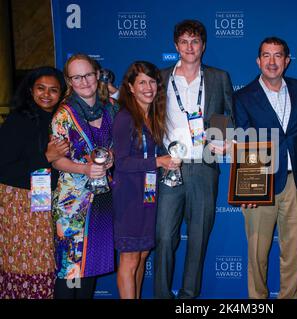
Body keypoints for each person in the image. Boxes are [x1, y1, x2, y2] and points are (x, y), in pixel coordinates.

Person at [154, 19, 233, 299]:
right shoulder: (160, 78)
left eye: (195, 41)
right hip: (169, 166)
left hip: (203, 166)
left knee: (198, 238)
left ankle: (188, 298)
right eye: (184, 42)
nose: (190, 47)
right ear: (176, 46)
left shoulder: (218, 77)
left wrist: (220, 138)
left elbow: (226, 113)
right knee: (164, 236)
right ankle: (163, 295)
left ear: (204, 46)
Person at [233, 37, 297, 299]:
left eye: (278, 56)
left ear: (287, 61)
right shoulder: (243, 97)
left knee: (294, 250)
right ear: (258, 61)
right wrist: (247, 190)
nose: (272, 61)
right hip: (260, 183)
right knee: (257, 251)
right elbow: (244, 141)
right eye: (266, 55)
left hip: (295, 183)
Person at [51, 53, 118, 299]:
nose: (84, 81)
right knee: (70, 272)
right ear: (69, 81)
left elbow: (128, 131)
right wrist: (85, 169)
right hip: (73, 205)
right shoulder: (64, 115)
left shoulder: (110, 107)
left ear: (96, 74)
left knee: (90, 269)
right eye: (76, 77)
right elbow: (56, 160)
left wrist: (112, 155)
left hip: (101, 201)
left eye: (88, 74)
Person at [113, 61, 180, 299]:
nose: (148, 87)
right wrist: (158, 162)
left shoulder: (152, 115)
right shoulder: (124, 117)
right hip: (129, 196)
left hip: (148, 195)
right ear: (130, 87)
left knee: (141, 256)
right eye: (141, 82)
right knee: (130, 258)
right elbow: (120, 162)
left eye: (152, 81)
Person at [0, 67, 68, 299]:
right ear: (31, 90)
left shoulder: (61, 120)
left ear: (62, 93)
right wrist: (45, 158)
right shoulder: (18, 121)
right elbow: (4, 169)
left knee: (46, 263)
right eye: (41, 88)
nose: (46, 95)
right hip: (18, 207)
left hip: (47, 202)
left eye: (53, 90)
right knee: (23, 264)